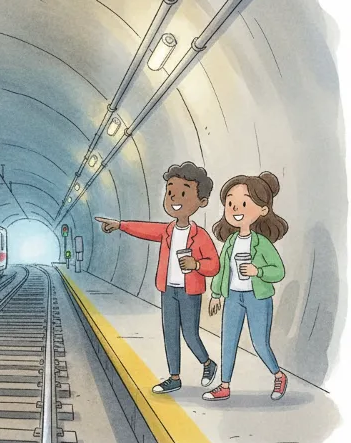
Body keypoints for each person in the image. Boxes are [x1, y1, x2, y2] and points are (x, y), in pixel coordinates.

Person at [95, 161, 219, 394]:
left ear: (201, 201)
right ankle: (174, 377)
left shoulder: (200, 236)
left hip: (189, 291)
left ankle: (207, 363)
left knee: (190, 334)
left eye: (183, 193)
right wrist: (120, 225)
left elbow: (214, 266)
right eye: (170, 192)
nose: (174, 198)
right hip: (168, 289)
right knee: (170, 332)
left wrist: (197, 264)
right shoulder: (167, 231)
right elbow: (145, 229)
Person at [203, 172, 289, 401]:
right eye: (230, 203)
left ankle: (278, 375)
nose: (234, 208)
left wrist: (257, 271)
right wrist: (215, 294)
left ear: (262, 210)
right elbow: (223, 269)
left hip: (257, 297)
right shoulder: (231, 241)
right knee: (228, 340)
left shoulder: (262, 243)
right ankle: (224, 385)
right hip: (233, 297)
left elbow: (278, 271)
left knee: (259, 342)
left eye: (242, 203)